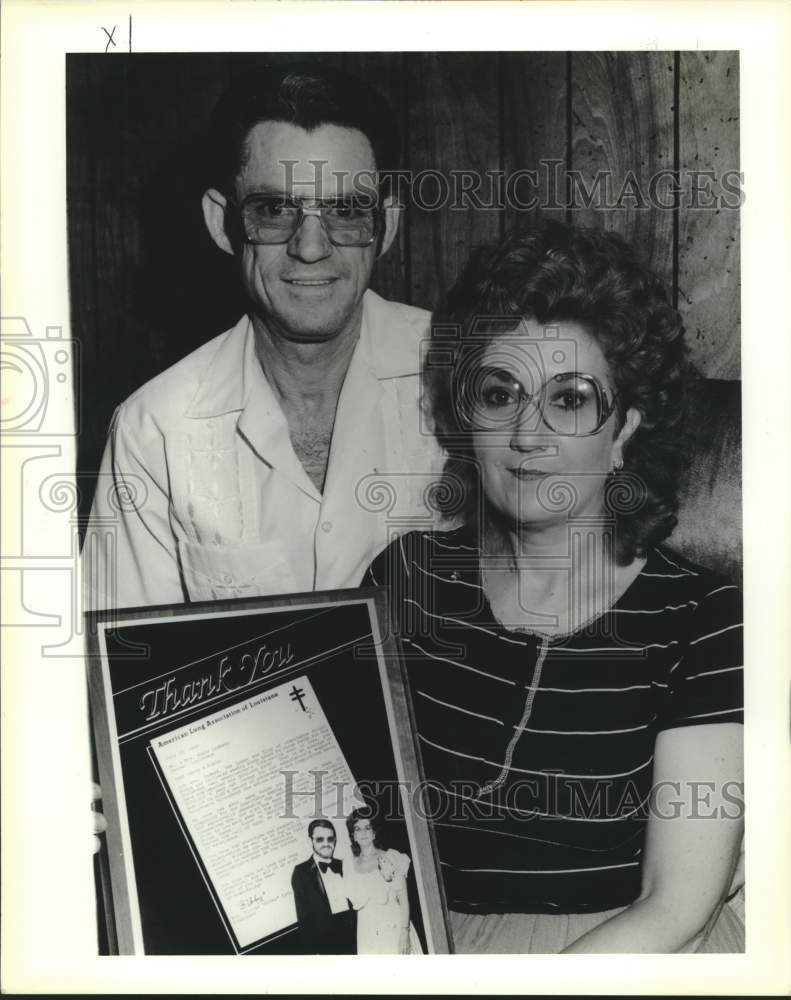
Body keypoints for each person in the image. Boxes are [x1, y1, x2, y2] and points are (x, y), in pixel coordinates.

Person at [364, 221, 744, 953]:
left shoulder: (705, 619)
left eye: (568, 400)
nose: (527, 434)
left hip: (619, 954)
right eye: (500, 393)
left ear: (624, 427)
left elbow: (674, 905)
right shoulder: (405, 576)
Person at [85, 63, 444, 611]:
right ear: (221, 223)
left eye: (346, 210)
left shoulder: (472, 379)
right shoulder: (153, 429)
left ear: (386, 226)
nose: (310, 246)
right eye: (275, 210)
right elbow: (131, 668)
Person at [341, 806, 421, 954]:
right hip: (367, 931)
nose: (363, 833)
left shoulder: (391, 857)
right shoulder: (348, 865)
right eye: (357, 829)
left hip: (393, 926)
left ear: (374, 832)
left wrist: (405, 932)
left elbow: (404, 900)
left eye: (367, 828)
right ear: (353, 835)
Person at [290, 819, 356, 954]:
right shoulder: (301, 872)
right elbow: (304, 920)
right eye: (320, 839)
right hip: (327, 946)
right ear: (310, 841)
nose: (326, 844)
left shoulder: (344, 865)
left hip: (354, 939)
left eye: (330, 839)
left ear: (335, 840)